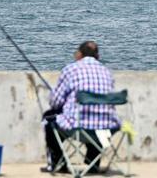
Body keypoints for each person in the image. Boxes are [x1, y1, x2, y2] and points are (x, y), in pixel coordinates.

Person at [43, 41, 120, 174]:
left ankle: (58, 163)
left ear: (79, 55)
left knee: (49, 120)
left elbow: (56, 102)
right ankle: (93, 163)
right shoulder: (107, 72)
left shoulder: (70, 69)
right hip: (106, 129)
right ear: (98, 56)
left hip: (78, 128)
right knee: (97, 118)